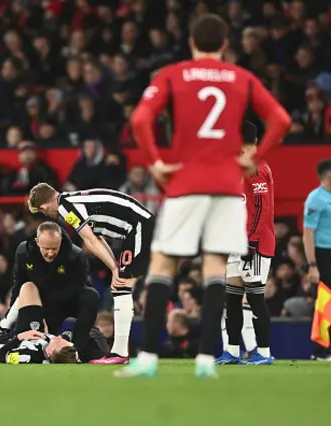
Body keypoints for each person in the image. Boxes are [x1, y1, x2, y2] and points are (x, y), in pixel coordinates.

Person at [116, 14, 291, 378]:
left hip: (186, 183)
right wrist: (255, 159)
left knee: (163, 265)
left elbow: (139, 120)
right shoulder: (241, 78)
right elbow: (282, 120)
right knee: (217, 270)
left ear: (192, 43)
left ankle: (147, 358)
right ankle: (206, 361)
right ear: (225, 45)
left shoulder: (174, 74)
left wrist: (156, 162)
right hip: (228, 188)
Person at [27, 184, 155, 363]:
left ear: (44, 207)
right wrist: (115, 266)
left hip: (139, 226)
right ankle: (119, 352)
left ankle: (119, 353)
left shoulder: (67, 209)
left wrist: (113, 269)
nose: (47, 215)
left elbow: (91, 240)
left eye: (43, 213)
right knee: (120, 286)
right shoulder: (72, 200)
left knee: (122, 286)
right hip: (136, 226)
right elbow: (99, 237)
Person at [0, 221, 104, 362]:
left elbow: (78, 286)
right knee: (27, 289)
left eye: (55, 248)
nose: (50, 253)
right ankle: (8, 331)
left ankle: (79, 348)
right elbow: (19, 285)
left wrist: (47, 302)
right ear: (37, 241)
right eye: (46, 248)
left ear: (61, 242)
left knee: (91, 296)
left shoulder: (75, 255)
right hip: (43, 301)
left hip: (68, 299)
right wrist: (16, 311)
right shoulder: (24, 252)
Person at [217, 121, 275, 365]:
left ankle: (263, 352)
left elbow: (262, 208)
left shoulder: (257, 168)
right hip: (236, 241)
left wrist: (251, 242)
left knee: (255, 297)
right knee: (231, 299)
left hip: (256, 243)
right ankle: (231, 350)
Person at [303, 159, 331, 361]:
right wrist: (312, 264)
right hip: (321, 255)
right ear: (329, 175)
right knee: (323, 303)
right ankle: (320, 350)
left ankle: (327, 346)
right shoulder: (315, 199)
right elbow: (308, 233)